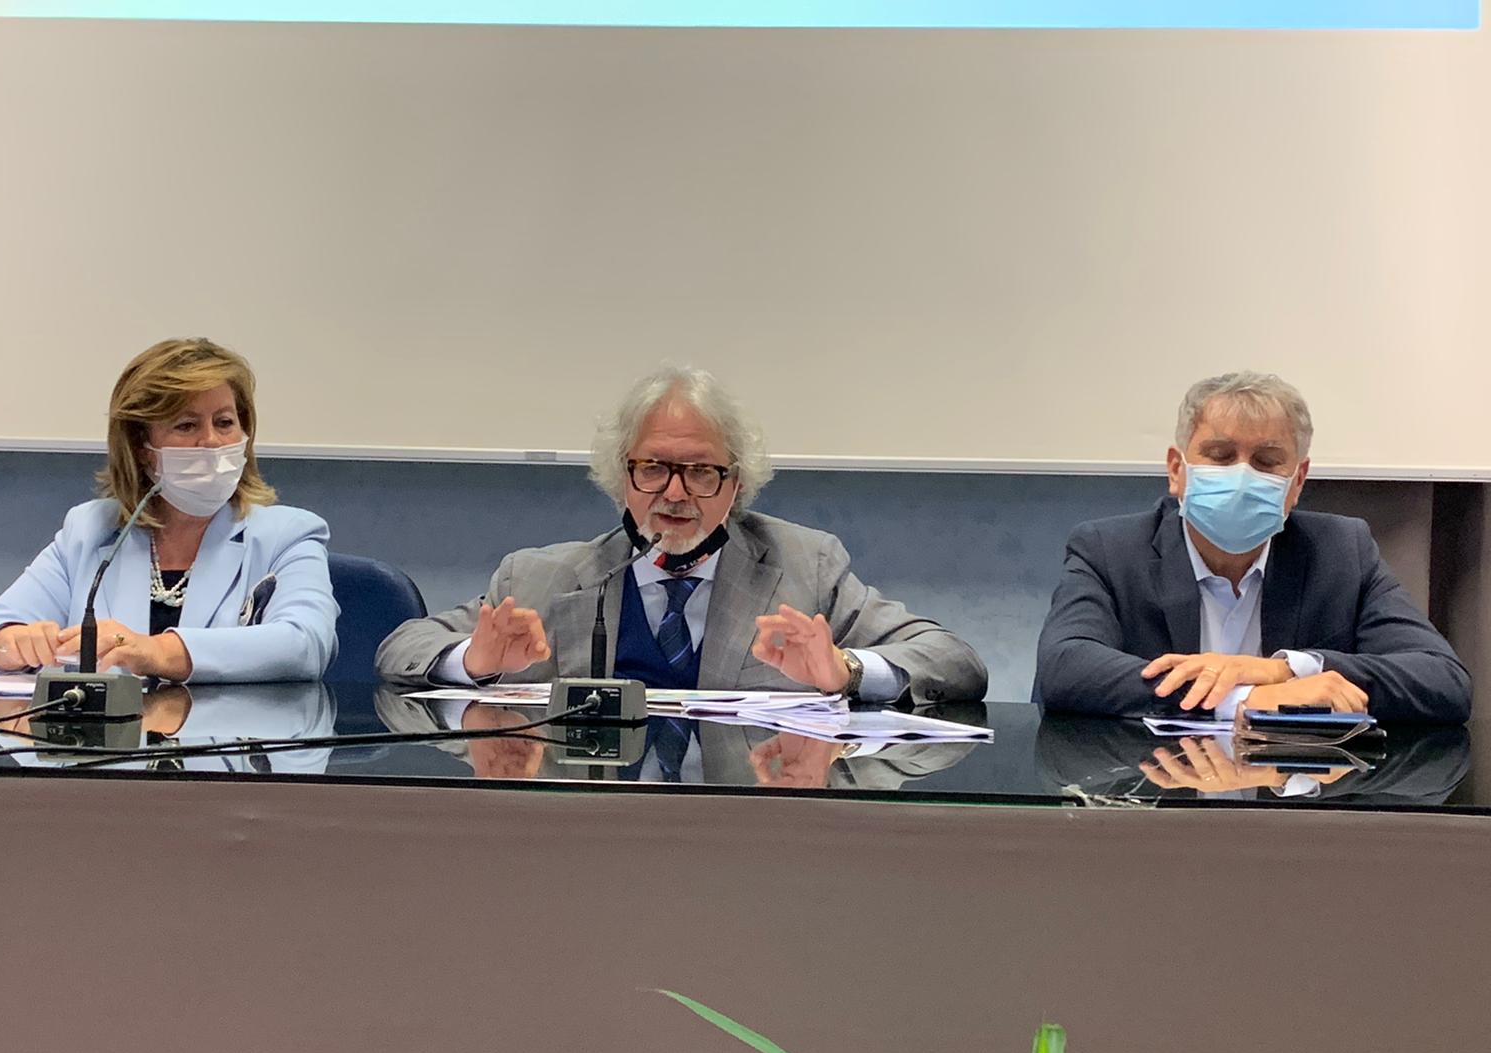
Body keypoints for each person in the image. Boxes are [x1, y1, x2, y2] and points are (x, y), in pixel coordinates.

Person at [376, 365, 986, 705]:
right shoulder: (542, 578)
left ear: (735, 484)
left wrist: (845, 669)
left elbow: (954, 660)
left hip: (747, 832)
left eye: (700, 472)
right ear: (621, 477)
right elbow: (402, 647)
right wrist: (475, 662)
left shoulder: (806, 567)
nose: (674, 493)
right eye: (653, 468)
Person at [1034, 371, 1470, 722]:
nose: (1242, 476)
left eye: (1266, 461)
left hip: (1292, 794)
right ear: (1176, 471)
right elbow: (1064, 668)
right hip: (1153, 794)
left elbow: (1443, 680)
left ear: (1297, 482)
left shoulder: (1341, 552)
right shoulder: (1109, 550)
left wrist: (1286, 669)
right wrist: (1243, 698)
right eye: (1220, 455)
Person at [0, 338, 338, 683]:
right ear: (142, 447)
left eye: (224, 422)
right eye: (186, 425)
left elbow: (306, 644)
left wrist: (158, 651)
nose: (212, 442)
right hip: (107, 744)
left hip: (226, 744)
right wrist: (7, 643)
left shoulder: (287, 534)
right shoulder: (91, 531)